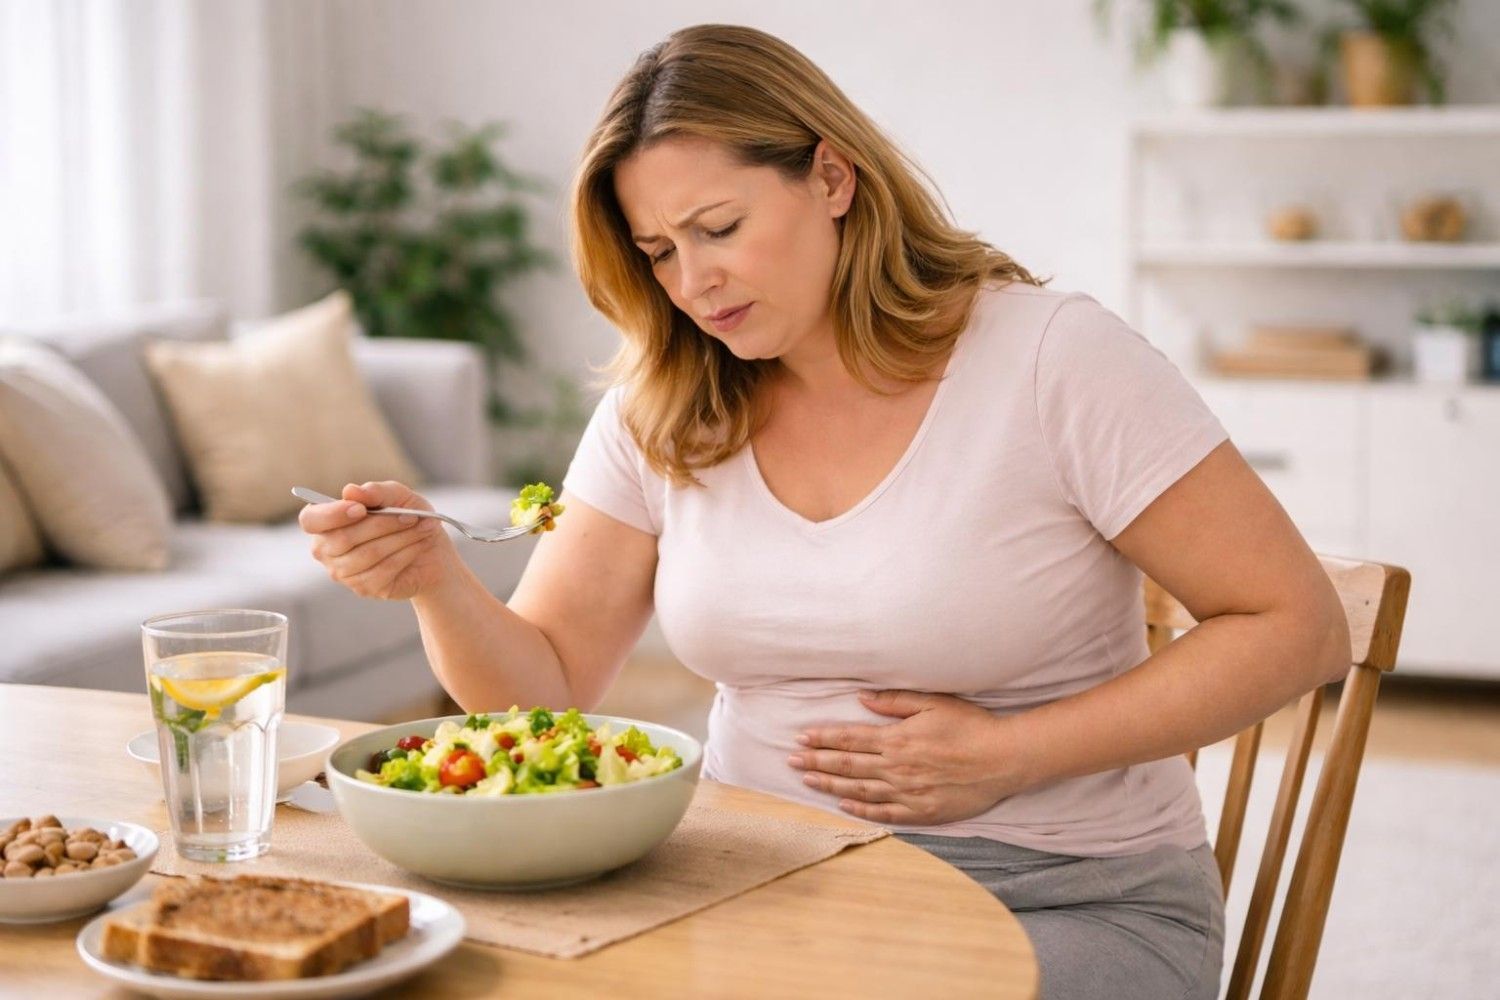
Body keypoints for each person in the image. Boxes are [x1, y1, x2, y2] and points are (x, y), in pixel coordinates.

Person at [299, 24, 1350, 1000]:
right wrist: (434, 579)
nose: (693, 282)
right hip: (757, 881)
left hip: (1060, 895)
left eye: (720, 227)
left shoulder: (1051, 358)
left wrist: (1014, 753)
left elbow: (1295, 627)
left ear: (833, 177)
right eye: (659, 251)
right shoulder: (664, 403)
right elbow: (549, 686)